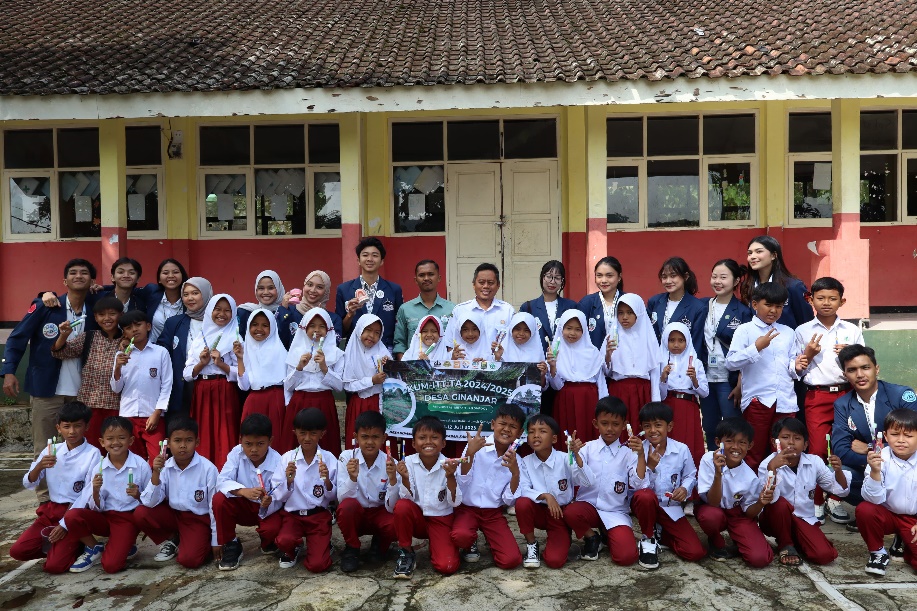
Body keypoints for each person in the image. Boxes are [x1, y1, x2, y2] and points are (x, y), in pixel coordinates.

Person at [2, 258, 97, 501]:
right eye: (73, 273)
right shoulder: (46, 307)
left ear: (92, 281)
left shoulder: (96, 308)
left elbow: (119, 288)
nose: (78, 276)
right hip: (47, 390)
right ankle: (45, 500)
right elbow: (17, 338)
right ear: (64, 281)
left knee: (80, 448)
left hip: (83, 392)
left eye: (84, 273)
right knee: (45, 448)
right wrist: (9, 371)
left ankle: (75, 498)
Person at [794, 276, 864, 524]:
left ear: (841, 301)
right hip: (816, 395)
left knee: (841, 447)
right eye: (820, 298)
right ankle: (815, 501)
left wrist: (850, 354)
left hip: (847, 394)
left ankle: (835, 498)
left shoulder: (852, 331)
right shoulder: (802, 331)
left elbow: (863, 364)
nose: (826, 303)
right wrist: (807, 354)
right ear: (811, 300)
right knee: (815, 450)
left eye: (832, 298)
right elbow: (796, 370)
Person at [44, 415, 152, 574]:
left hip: (127, 519)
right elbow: (96, 507)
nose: (116, 442)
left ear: (130, 441)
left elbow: (150, 499)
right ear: (102, 442)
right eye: (110, 439)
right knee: (72, 516)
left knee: (111, 566)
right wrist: (95, 490)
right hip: (105, 516)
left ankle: (126, 543)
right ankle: (94, 547)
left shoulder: (140, 465)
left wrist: (138, 495)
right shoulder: (99, 468)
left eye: (121, 438)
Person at [10, 401, 100, 563]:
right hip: (50, 510)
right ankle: (63, 548)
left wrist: (64, 524)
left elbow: (86, 494)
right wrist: (39, 466)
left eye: (77, 426)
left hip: (73, 512)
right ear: (58, 428)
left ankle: (76, 544)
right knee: (18, 551)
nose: (72, 431)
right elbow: (28, 482)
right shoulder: (51, 450)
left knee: (55, 566)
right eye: (66, 426)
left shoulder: (93, 454)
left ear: (87, 426)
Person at [563, 396, 649, 566]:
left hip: (615, 512)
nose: (610, 429)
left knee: (626, 557)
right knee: (570, 512)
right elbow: (579, 480)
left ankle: (606, 533)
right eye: (604, 423)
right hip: (588, 507)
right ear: (596, 424)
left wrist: (640, 455)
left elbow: (639, 484)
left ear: (624, 425)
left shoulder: (628, 453)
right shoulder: (586, 448)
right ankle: (591, 537)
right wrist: (576, 455)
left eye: (615, 424)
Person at [725, 282, 801, 471]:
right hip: (758, 400)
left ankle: (781, 487)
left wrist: (798, 366)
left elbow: (792, 366)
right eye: (768, 305)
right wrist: (756, 348)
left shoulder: (788, 332)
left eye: (779, 306)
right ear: (755, 304)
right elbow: (731, 362)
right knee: (754, 450)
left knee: (784, 450)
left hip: (785, 400)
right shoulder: (745, 330)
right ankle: (753, 488)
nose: (773, 310)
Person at [832, 345, 917, 509]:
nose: (860, 375)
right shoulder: (842, 404)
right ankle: (877, 510)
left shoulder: (900, 395)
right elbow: (841, 450)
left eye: (865, 367)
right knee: (832, 473)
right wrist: (874, 463)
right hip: (869, 469)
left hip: (906, 467)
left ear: (876, 369)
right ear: (845, 375)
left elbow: (912, 439)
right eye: (852, 370)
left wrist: (869, 448)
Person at [757, 417, 850, 566]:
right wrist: (772, 469)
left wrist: (838, 471)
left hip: (803, 519)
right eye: (785, 437)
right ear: (775, 442)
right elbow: (769, 499)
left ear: (805, 444)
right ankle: (785, 544)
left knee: (824, 555)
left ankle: (797, 539)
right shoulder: (767, 464)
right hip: (774, 520)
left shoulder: (814, 462)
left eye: (797, 438)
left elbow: (839, 489)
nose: (791, 442)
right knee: (780, 504)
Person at [135, 416, 219, 569]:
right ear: (168, 443)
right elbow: (149, 502)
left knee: (190, 560)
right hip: (174, 515)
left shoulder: (208, 469)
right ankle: (173, 539)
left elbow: (214, 508)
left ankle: (201, 540)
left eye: (188, 440)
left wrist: (216, 540)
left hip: (197, 519)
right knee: (141, 513)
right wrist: (156, 473)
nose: (183, 446)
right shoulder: (165, 467)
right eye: (177, 440)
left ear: (197, 442)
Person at [630, 402, 705, 570]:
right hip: (645, 506)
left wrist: (684, 489)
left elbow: (690, 475)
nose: (653, 430)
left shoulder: (681, 449)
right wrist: (649, 466)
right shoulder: (637, 450)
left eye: (658, 425)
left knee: (694, 552)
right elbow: (636, 486)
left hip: (670, 508)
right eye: (647, 426)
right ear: (641, 429)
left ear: (669, 426)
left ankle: (661, 534)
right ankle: (648, 537)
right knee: (645, 496)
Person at [452, 406, 525, 570]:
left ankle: (491, 538)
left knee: (511, 560)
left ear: (520, 433)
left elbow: (508, 499)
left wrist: (515, 474)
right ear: (493, 424)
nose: (506, 429)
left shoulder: (517, 461)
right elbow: (462, 481)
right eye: (502, 424)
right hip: (467, 509)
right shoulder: (476, 447)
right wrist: (469, 453)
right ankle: (470, 541)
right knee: (461, 536)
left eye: (513, 427)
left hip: (493, 513)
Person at [694, 417, 773, 567]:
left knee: (760, 558)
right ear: (718, 442)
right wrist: (718, 474)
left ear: (750, 445)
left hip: (737, 514)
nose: (735, 447)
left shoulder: (750, 477)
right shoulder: (708, 459)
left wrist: (761, 502)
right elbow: (713, 502)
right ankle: (715, 539)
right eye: (729, 441)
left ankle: (740, 541)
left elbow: (749, 513)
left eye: (742, 442)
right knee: (710, 516)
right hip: (713, 508)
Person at [391, 416, 462, 579]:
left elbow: (455, 502)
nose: (428, 442)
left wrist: (450, 477)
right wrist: (405, 478)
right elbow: (406, 499)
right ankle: (406, 552)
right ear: (414, 443)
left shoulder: (450, 464)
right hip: (418, 519)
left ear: (444, 443)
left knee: (447, 566)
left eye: (434, 437)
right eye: (422, 438)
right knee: (402, 506)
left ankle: (439, 545)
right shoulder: (408, 462)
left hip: (441, 519)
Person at [213, 414, 285, 571]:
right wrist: (242, 491)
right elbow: (222, 481)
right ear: (240, 440)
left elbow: (281, 492)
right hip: (243, 506)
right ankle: (231, 543)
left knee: (273, 529)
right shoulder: (236, 453)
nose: (253, 449)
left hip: (266, 510)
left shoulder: (278, 461)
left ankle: (267, 541)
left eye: (260, 444)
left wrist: (269, 500)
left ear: (270, 441)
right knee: (219, 500)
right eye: (248, 444)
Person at [50, 296, 124, 449]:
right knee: (90, 448)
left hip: (118, 405)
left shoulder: (128, 340)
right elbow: (60, 352)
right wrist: (63, 335)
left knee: (114, 447)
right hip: (89, 405)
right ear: (95, 317)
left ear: (121, 315)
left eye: (112, 314)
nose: (107, 318)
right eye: (101, 315)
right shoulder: (89, 337)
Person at [516, 415, 588, 569]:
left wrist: (576, 455)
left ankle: (563, 537)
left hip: (559, 515)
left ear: (554, 439)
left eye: (542, 431)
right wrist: (546, 496)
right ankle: (531, 544)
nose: (536, 435)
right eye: (531, 432)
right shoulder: (525, 461)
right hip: (539, 512)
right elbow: (523, 489)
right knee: (522, 503)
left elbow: (585, 481)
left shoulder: (565, 458)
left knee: (554, 561)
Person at [271, 408, 337, 572]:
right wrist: (288, 480)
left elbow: (334, 496)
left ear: (322, 434)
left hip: (318, 516)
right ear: (295, 433)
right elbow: (277, 494)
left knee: (317, 565)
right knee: (283, 540)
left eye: (313, 433)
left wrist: (327, 480)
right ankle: (294, 546)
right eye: (302, 433)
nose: (307, 438)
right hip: (293, 517)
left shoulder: (328, 459)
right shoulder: (287, 458)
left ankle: (324, 544)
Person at [857, 409, 917, 577]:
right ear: (885, 436)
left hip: (913, 519)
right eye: (895, 434)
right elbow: (872, 499)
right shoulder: (879, 457)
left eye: (909, 436)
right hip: (887, 513)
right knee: (865, 509)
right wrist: (875, 471)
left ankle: (904, 544)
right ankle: (878, 552)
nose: (901, 440)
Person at [336, 411, 399, 572]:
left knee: (397, 520)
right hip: (357, 513)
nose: (370, 442)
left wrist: (393, 480)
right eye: (364, 437)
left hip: (380, 512)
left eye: (375, 437)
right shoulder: (346, 457)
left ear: (384, 438)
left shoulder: (390, 463)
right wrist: (352, 478)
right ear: (356, 437)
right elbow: (341, 500)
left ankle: (380, 544)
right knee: (347, 507)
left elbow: (392, 507)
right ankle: (352, 548)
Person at [700, 259, 752, 450]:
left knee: (732, 427)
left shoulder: (743, 311)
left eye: (723, 277)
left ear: (736, 280)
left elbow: (748, 351)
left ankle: (734, 462)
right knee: (709, 426)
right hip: (706, 379)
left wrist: (740, 383)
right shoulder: (703, 306)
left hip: (729, 381)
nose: (717, 281)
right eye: (714, 277)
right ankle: (713, 461)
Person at [184, 294, 241, 469]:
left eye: (227, 310)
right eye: (217, 309)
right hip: (202, 390)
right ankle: (203, 473)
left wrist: (221, 364)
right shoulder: (200, 338)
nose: (222, 314)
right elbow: (187, 373)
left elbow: (242, 373)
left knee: (224, 432)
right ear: (210, 311)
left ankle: (225, 473)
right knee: (204, 432)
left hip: (224, 390)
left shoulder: (235, 338)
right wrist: (202, 363)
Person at [111, 309, 173, 465]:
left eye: (138, 325)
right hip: (128, 414)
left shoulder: (161, 353)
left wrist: (157, 413)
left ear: (148, 326)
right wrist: (117, 368)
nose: (134, 330)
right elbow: (116, 388)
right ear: (124, 333)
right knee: (133, 460)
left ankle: (155, 482)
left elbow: (167, 385)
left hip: (153, 414)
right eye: (128, 328)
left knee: (157, 459)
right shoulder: (121, 355)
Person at [284, 309, 345, 455]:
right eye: (312, 326)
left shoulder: (336, 354)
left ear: (328, 329)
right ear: (304, 328)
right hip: (299, 403)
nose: (316, 330)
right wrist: (299, 367)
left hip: (324, 402)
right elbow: (288, 386)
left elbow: (339, 387)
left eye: (322, 326)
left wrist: (324, 367)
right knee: (296, 447)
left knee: (325, 446)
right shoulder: (295, 352)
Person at [157, 277, 213, 425]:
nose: (190, 298)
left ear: (206, 294)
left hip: (210, 388)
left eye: (195, 293)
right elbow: (161, 352)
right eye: (186, 294)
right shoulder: (174, 323)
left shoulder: (218, 322)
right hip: (181, 389)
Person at [547, 310, 607, 447]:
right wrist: (553, 366)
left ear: (584, 330)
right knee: (567, 435)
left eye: (578, 329)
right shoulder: (555, 351)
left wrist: (604, 406)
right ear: (561, 328)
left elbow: (601, 382)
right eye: (568, 328)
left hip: (589, 400)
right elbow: (556, 386)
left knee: (589, 435)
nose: (572, 333)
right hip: (565, 399)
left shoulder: (592, 352)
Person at [234, 308, 289, 452]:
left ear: (272, 327)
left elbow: (289, 382)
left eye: (265, 325)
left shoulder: (280, 351)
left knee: (275, 441)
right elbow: (244, 386)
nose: (259, 329)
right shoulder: (245, 349)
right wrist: (240, 359)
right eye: (255, 324)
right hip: (254, 400)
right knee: (251, 442)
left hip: (275, 400)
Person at [336, 237, 403, 350]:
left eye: (375, 255)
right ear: (358, 260)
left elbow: (399, 327)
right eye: (365, 255)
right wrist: (350, 315)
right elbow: (340, 331)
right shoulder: (344, 289)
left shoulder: (394, 289)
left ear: (382, 261)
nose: (370, 259)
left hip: (385, 350)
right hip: (355, 351)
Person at [605, 293, 660, 429]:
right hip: (619, 391)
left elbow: (654, 371)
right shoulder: (612, 337)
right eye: (620, 313)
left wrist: (656, 402)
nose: (624, 317)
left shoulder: (648, 338)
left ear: (638, 314)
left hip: (642, 391)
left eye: (630, 312)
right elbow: (606, 372)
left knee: (641, 429)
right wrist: (608, 355)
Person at [658, 322, 709, 467]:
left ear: (687, 341)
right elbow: (659, 395)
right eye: (671, 340)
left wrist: (694, 380)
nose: (676, 344)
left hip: (688, 406)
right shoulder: (660, 362)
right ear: (665, 341)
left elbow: (705, 393)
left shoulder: (695, 362)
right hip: (667, 407)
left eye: (681, 340)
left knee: (689, 442)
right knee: (669, 442)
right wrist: (663, 378)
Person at [741, 235, 813, 329]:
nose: (752, 257)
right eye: (750, 253)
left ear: (774, 255)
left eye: (759, 251)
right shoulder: (747, 286)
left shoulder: (793, 286)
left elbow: (806, 321)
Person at [342, 315, 390, 451]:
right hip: (360, 404)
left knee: (380, 441)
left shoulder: (383, 352)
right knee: (360, 443)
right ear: (359, 330)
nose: (372, 336)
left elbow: (394, 381)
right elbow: (348, 385)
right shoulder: (351, 354)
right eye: (368, 330)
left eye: (377, 333)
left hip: (381, 403)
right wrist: (371, 381)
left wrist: (389, 367)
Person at [393, 260, 455, 360]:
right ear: (416, 280)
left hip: (443, 367)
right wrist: (406, 366)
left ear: (439, 278)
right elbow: (400, 343)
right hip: (413, 367)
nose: (426, 278)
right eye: (421, 275)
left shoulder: (452, 309)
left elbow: (455, 342)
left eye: (431, 274)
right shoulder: (405, 309)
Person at [647, 257, 706, 355]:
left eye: (673, 276)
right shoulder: (654, 302)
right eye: (664, 277)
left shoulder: (698, 308)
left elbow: (696, 344)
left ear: (685, 277)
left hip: (682, 361)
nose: (668, 281)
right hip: (656, 359)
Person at [449, 263, 514, 350]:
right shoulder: (460, 310)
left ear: (498, 285)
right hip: (467, 359)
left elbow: (514, 344)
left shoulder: (507, 310)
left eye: (490, 283)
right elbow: (449, 344)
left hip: (499, 359)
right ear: (474, 284)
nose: (486, 286)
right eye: (481, 282)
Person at [277, 270, 343, 350]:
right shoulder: (288, 311)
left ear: (326, 291)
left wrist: (318, 316)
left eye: (319, 287)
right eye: (310, 285)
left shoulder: (333, 319)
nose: (313, 290)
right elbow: (278, 340)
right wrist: (283, 309)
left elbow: (332, 346)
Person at [520, 260, 577, 349]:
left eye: (557, 278)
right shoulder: (528, 307)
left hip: (563, 355)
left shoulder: (571, 306)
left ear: (562, 280)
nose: (552, 282)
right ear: (542, 277)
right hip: (537, 355)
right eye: (549, 277)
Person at [577, 256, 624, 350]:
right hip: (594, 356)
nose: (603, 280)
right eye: (599, 276)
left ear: (619, 277)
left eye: (609, 276)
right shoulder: (587, 303)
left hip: (624, 356)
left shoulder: (628, 301)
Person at [236, 270, 285, 338]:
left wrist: (284, 311)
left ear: (279, 289)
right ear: (256, 290)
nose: (266, 292)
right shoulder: (245, 312)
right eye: (261, 288)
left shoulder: (285, 313)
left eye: (270, 288)